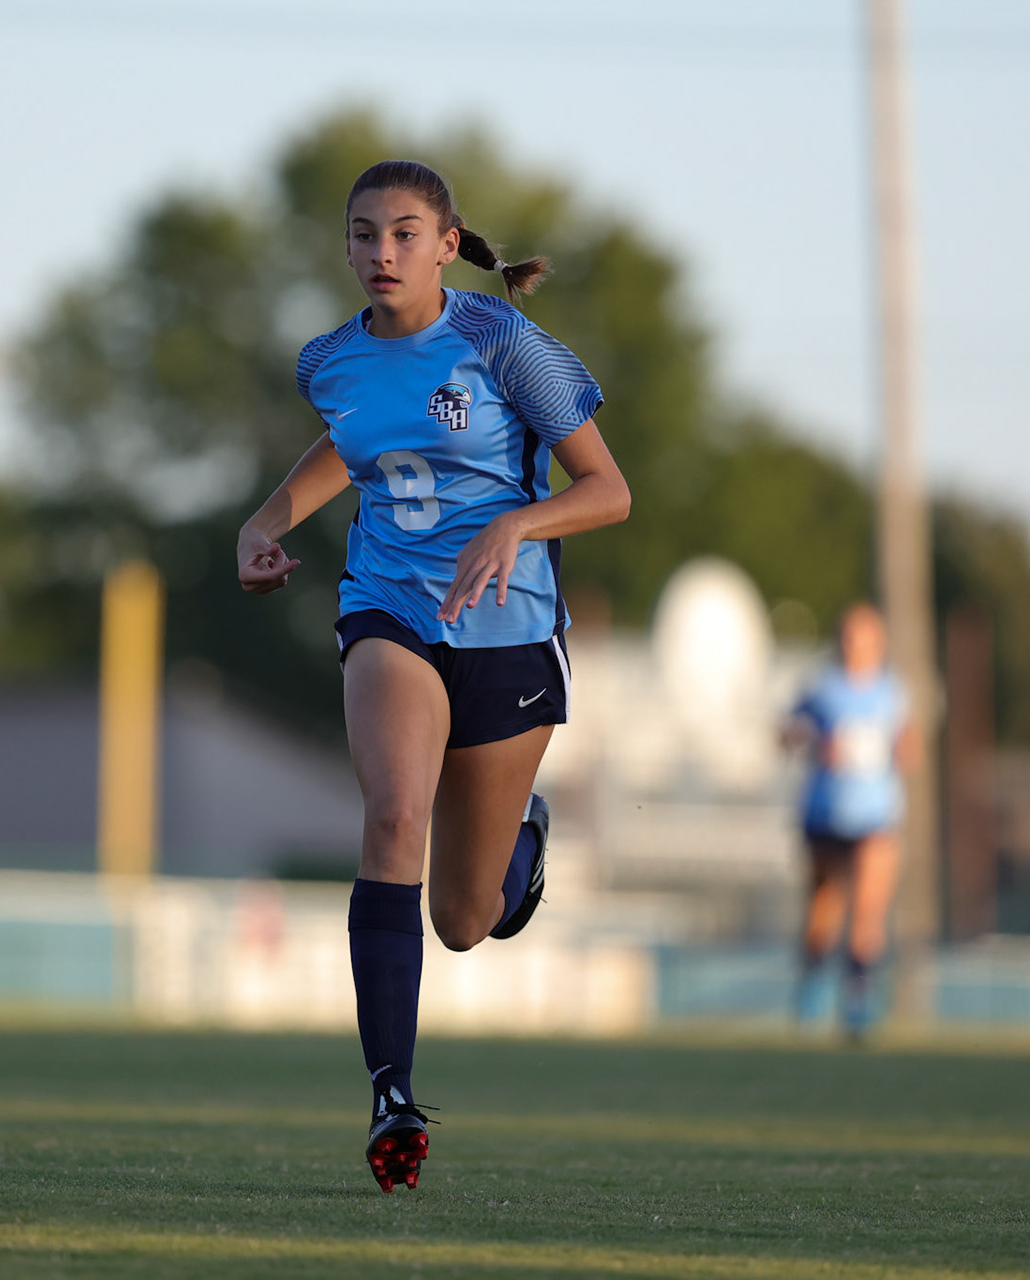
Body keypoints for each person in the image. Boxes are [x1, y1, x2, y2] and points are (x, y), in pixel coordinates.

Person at [236, 160, 630, 1192]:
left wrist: (518, 522)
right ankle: (391, 1094)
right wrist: (262, 522)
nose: (384, 252)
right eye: (365, 233)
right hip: (391, 607)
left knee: (462, 919)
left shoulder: (503, 342)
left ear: (449, 246)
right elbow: (352, 445)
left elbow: (609, 490)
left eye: (406, 233)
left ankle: (522, 840)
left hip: (510, 630)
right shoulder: (328, 360)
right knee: (393, 816)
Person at [780, 602, 917, 1040]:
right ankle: (813, 987)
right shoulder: (822, 687)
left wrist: (893, 750)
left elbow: (910, 747)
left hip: (876, 816)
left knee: (869, 910)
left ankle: (859, 1000)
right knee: (823, 909)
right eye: (850, 636)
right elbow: (785, 733)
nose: (857, 645)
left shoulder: (893, 692)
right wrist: (819, 743)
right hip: (825, 813)